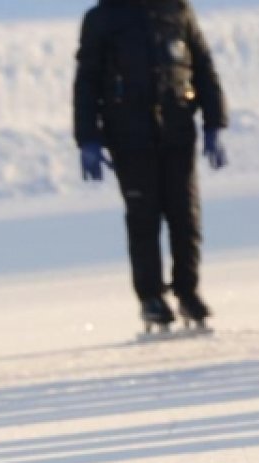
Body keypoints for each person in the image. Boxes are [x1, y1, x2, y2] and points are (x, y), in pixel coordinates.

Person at [73, 0, 229, 331]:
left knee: (185, 215)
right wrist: (88, 138)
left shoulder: (177, 11)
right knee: (144, 218)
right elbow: (86, 80)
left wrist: (215, 123)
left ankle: (188, 292)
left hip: (177, 128)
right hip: (128, 134)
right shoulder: (103, 18)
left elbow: (203, 67)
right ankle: (151, 297)